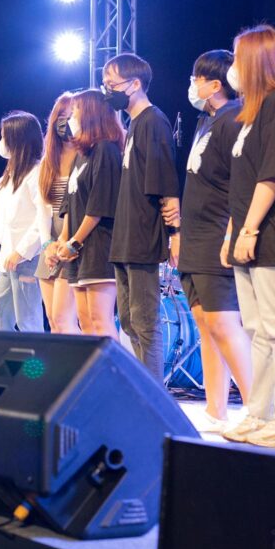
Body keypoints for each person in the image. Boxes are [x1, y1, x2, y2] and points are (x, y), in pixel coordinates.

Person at [218, 26, 275, 448]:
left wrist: (250, 229)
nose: (233, 68)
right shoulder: (249, 114)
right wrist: (232, 233)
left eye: (238, 58)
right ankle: (260, 412)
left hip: (272, 235)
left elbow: (271, 175)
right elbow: (241, 183)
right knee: (257, 329)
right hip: (246, 234)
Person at [167, 49, 251, 432]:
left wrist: (233, 231)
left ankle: (258, 407)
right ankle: (216, 409)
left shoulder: (234, 118)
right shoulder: (206, 121)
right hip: (195, 237)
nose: (192, 85)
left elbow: (242, 183)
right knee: (205, 323)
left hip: (218, 235)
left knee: (223, 321)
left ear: (215, 84)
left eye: (196, 79)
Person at [105, 53, 181, 380]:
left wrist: (174, 233)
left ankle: (154, 394)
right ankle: (142, 386)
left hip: (143, 235)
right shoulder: (134, 124)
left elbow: (166, 183)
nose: (108, 91)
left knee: (145, 321)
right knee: (128, 321)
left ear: (135, 84)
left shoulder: (154, 121)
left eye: (112, 84)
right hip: (124, 237)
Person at [50, 90, 125, 337]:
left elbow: (99, 205)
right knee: (85, 322)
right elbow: (69, 204)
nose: (71, 118)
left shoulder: (106, 149)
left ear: (91, 114)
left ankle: (112, 364)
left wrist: (75, 242)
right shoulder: (82, 154)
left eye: (76, 111)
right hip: (77, 251)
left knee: (99, 321)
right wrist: (64, 240)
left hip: (99, 247)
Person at [0, 111, 49, 332]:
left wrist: (22, 251)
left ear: (17, 139)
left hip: (28, 258)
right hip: (9, 258)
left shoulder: (37, 173)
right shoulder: (10, 175)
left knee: (28, 320)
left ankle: (35, 357)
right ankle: (5, 355)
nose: (1, 142)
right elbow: (1, 215)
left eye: (4, 136)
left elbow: (43, 218)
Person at [37, 94, 81, 333]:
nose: (66, 122)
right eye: (62, 116)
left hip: (73, 243)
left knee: (63, 318)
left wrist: (64, 242)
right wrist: (47, 245)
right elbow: (42, 208)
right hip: (50, 245)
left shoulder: (85, 157)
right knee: (52, 320)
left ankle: (86, 359)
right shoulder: (48, 161)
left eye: (71, 116)